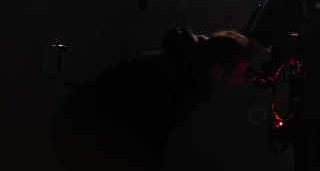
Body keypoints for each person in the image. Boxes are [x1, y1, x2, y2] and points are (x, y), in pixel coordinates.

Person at [52, 28, 254, 171]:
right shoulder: (172, 80)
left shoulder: (187, 73)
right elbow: (140, 143)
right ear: (218, 71)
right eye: (239, 74)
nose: (240, 82)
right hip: (78, 137)